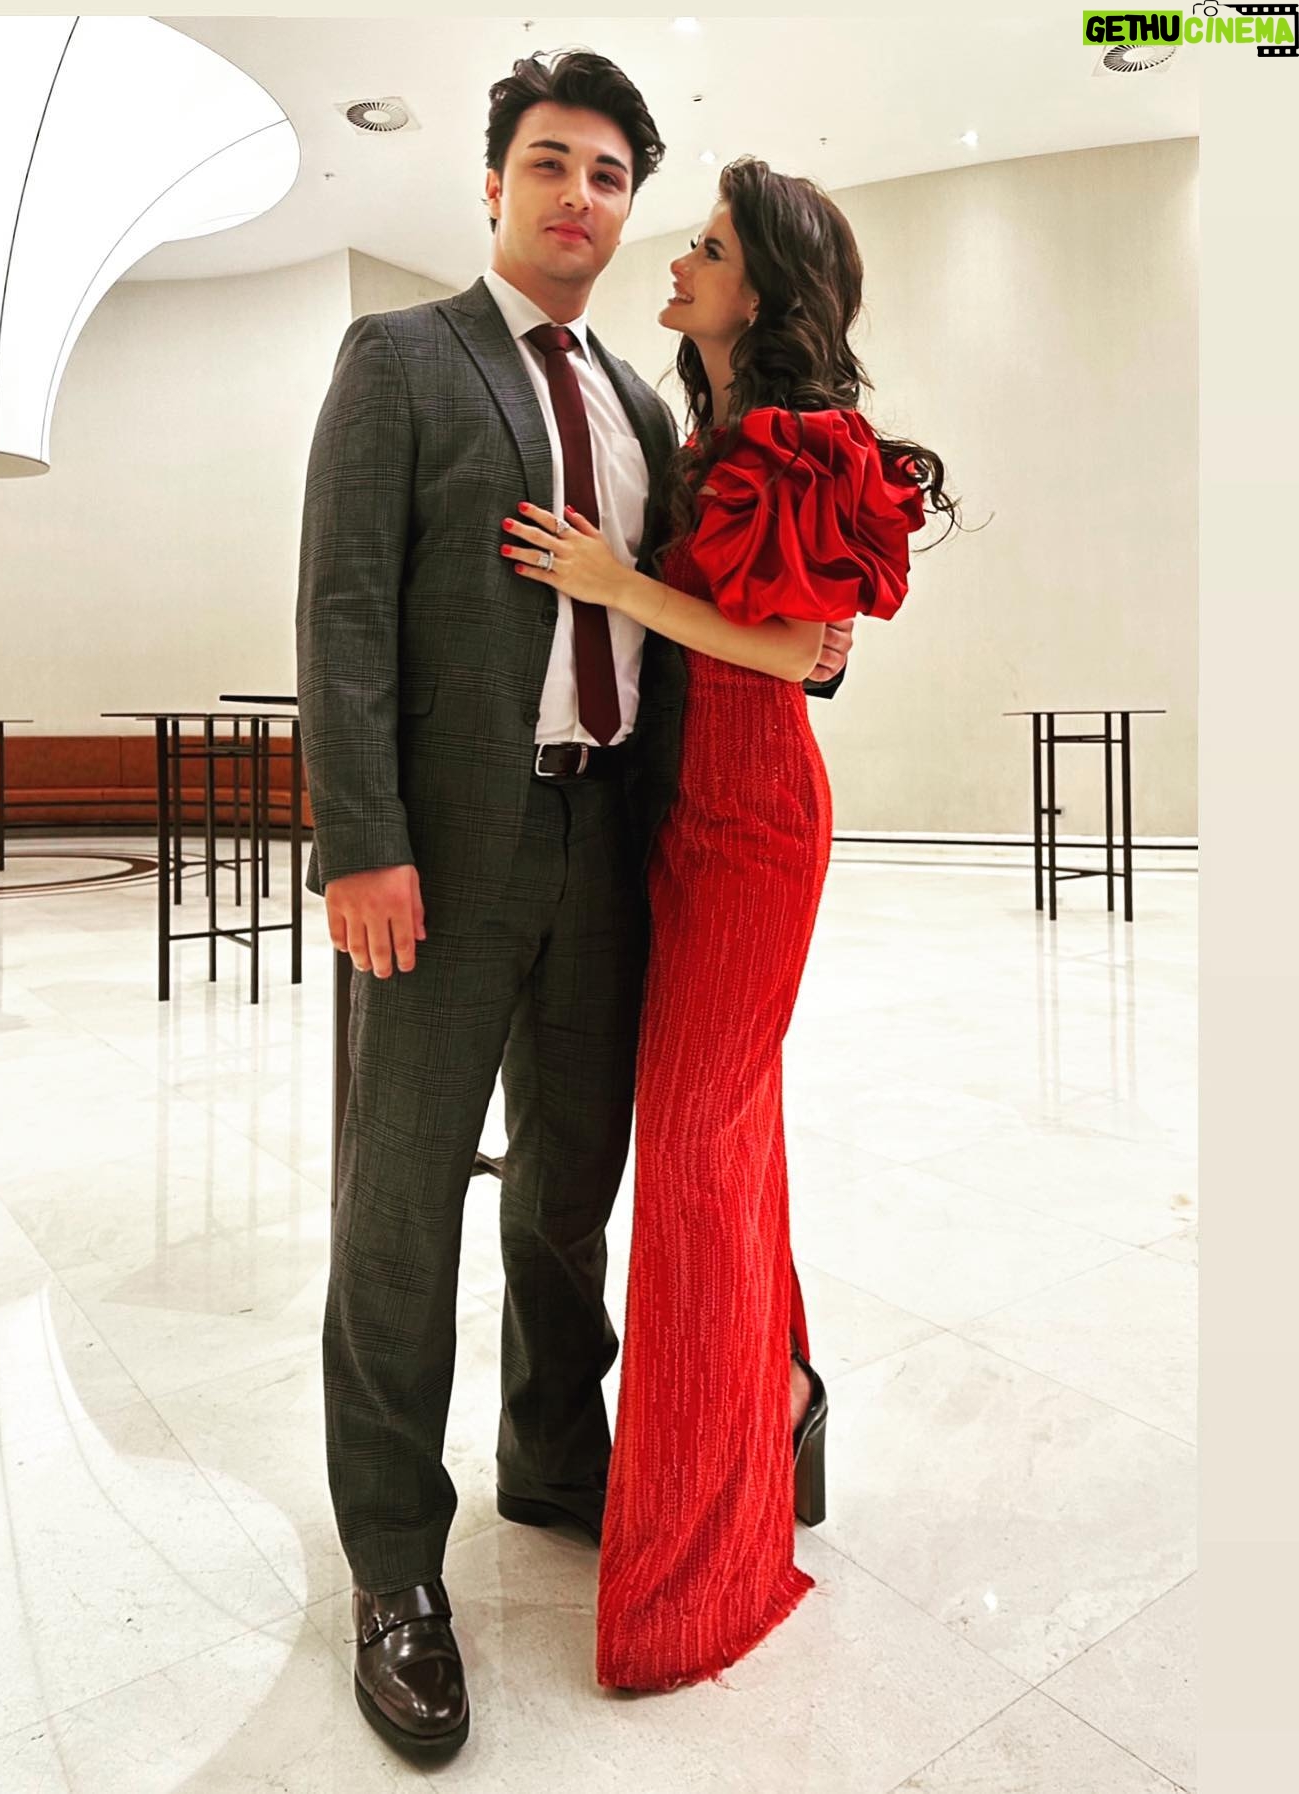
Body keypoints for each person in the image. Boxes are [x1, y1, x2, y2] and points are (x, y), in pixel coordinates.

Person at [295, 53, 853, 1753]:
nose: (581, 198)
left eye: (611, 175)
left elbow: (717, 625)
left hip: (612, 846)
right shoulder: (401, 360)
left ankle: (554, 1456)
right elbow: (344, 608)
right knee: (402, 1205)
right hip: (443, 860)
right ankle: (398, 1561)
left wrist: (808, 662)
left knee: (569, 1190)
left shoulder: (645, 405)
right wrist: (360, 839)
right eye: (550, 163)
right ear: (494, 186)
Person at [499, 155, 958, 1690]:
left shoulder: (788, 437)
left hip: (753, 828)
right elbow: (795, 641)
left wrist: (615, 583)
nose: (677, 261)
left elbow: (794, 647)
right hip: (684, 821)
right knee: (725, 1139)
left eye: (705, 247)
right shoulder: (705, 432)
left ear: (761, 288)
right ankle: (783, 1399)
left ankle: (701, 1552)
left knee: (694, 1157)